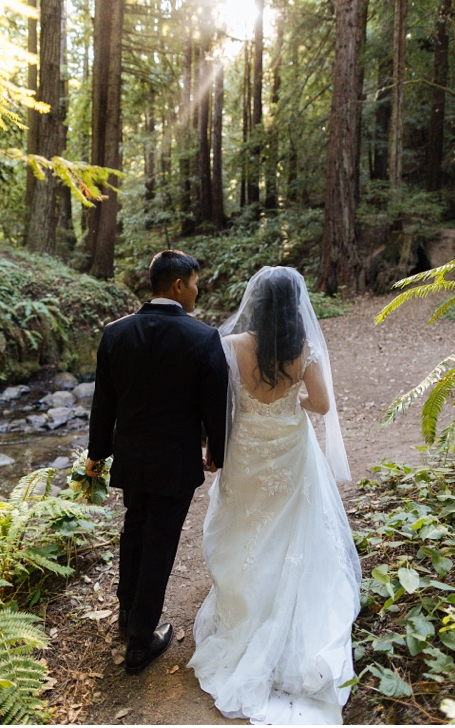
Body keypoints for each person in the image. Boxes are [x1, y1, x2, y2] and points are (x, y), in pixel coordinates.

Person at [187, 266, 361, 725]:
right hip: (288, 448)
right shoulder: (303, 350)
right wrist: (292, 403)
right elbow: (321, 405)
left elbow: (218, 405)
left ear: (256, 302)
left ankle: (245, 607)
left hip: (246, 449)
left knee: (244, 525)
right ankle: (286, 609)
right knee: (292, 530)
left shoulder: (232, 346)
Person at [86, 249, 228, 675]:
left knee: (135, 533)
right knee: (160, 545)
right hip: (174, 463)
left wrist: (96, 454)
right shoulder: (203, 338)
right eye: (196, 283)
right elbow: (214, 408)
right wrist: (215, 453)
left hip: (132, 458)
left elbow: (103, 403)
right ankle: (140, 642)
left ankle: (128, 615)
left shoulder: (115, 334)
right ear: (179, 285)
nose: (198, 291)